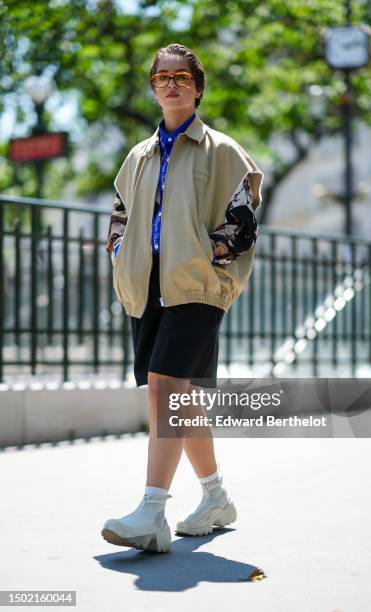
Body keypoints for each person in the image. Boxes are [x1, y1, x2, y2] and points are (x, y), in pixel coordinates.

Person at [101, 43, 264, 553]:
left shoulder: (223, 150)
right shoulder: (138, 155)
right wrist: (120, 253)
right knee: (178, 394)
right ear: (153, 87)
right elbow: (121, 213)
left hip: (195, 284)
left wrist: (204, 256)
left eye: (181, 77)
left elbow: (242, 220)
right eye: (162, 77)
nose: (171, 84)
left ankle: (152, 510)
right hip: (146, 286)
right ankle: (216, 496)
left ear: (197, 87)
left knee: (165, 385)